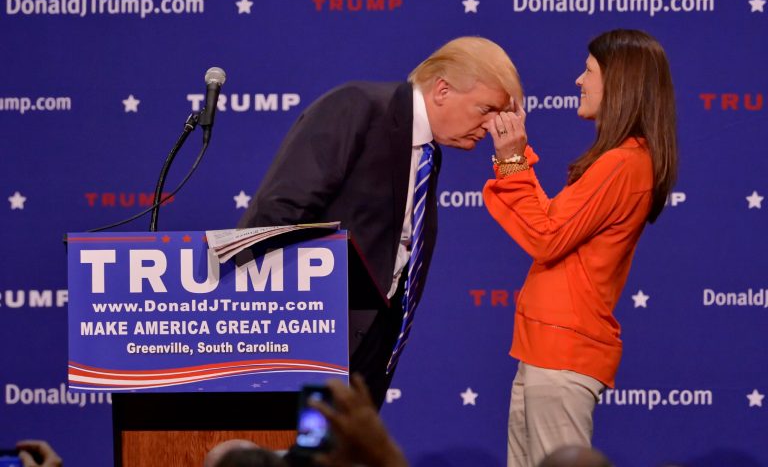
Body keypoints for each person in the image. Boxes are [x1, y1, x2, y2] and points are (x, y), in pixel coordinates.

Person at [239, 36, 523, 408]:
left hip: (370, 349)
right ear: (442, 90)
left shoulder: (427, 152)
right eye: (485, 109)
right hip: (309, 341)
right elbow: (276, 215)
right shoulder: (359, 108)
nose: (490, 127)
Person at [482, 29, 678, 467]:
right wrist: (513, 158)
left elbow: (545, 238)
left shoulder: (624, 163)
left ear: (620, 83)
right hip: (545, 350)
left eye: (589, 71)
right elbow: (552, 226)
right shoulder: (623, 160)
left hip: (562, 354)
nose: (578, 80)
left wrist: (512, 160)